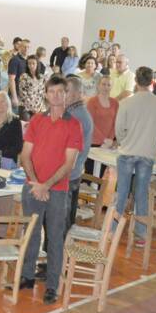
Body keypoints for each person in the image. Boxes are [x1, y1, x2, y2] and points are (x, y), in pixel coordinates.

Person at [17, 75, 83, 304]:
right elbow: (25, 155)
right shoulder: (36, 120)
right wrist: (36, 183)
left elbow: (69, 164)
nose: (55, 96)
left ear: (67, 94)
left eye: (60, 92)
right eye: (51, 91)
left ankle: (52, 286)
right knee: (31, 233)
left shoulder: (74, 125)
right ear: (45, 94)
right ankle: (27, 276)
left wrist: (46, 186)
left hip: (57, 190)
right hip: (33, 187)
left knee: (55, 237)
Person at [113, 67, 156, 243]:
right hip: (147, 153)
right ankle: (141, 232)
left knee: (121, 192)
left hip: (127, 151)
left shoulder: (127, 102)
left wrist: (126, 141)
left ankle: (113, 230)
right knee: (141, 193)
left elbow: (119, 129)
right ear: (152, 81)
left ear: (136, 81)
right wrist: (149, 141)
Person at [64, 76, 94, 231]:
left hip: (68, 175)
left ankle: (58, 254)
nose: (62, 93)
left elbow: (66, 149)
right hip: (73, 173)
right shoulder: (75, 112)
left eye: (66, 91)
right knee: (64, 221)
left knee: (62, 224)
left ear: (76, 94)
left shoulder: (77, 116)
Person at [86, 75, 119, 153]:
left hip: (109, 144)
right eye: (103, 84)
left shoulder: (115, 103)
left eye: (109, 85)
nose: (106, 87)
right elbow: (90, 124)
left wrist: (110, 139)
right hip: (93, 142)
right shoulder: (92, 102)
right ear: (98, 86)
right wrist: (103, 139)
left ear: (111, 87)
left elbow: (115, 123)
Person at [17, 53, 46, 118]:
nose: (31, 65)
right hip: (25, 107)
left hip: (39, 108)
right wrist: (33, 109)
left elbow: (42, 94)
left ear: (37, 64)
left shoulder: (42, 77)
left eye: (33, 63)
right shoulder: (24, 76)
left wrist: (38, 108)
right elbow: (23, 94)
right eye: (29, 63)